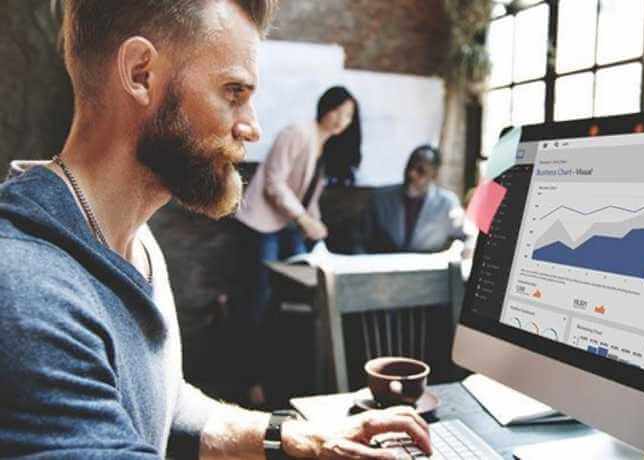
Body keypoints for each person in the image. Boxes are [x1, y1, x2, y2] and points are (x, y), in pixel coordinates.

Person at [0, 1, 430, 459]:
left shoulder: (136, 240)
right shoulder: (27, 288)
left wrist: (296, 437)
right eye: (233, 92)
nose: (252, 127)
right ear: (141, 73)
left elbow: (167, 408)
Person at [234, 86, 361, 405]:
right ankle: (250, 381)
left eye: (349, 117)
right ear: (326, 107)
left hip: (288, 225)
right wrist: (305, 220)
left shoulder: (325, 146)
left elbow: (309, 196)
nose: (342, 121)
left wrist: (316, 227)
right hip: (263, 223)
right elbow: (274, 184)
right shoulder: (297, 132)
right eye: (340, 112)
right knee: (260, 300)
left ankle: (282, 376)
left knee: (293, 300)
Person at [356, 145, 465, 254]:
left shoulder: (447, 203)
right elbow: (360, 239)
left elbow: (466, 235)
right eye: (409, 167)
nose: (411, 174)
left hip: (427, 267)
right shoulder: (381, 198)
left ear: (434, 175)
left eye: (420, 171)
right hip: (384, 265)